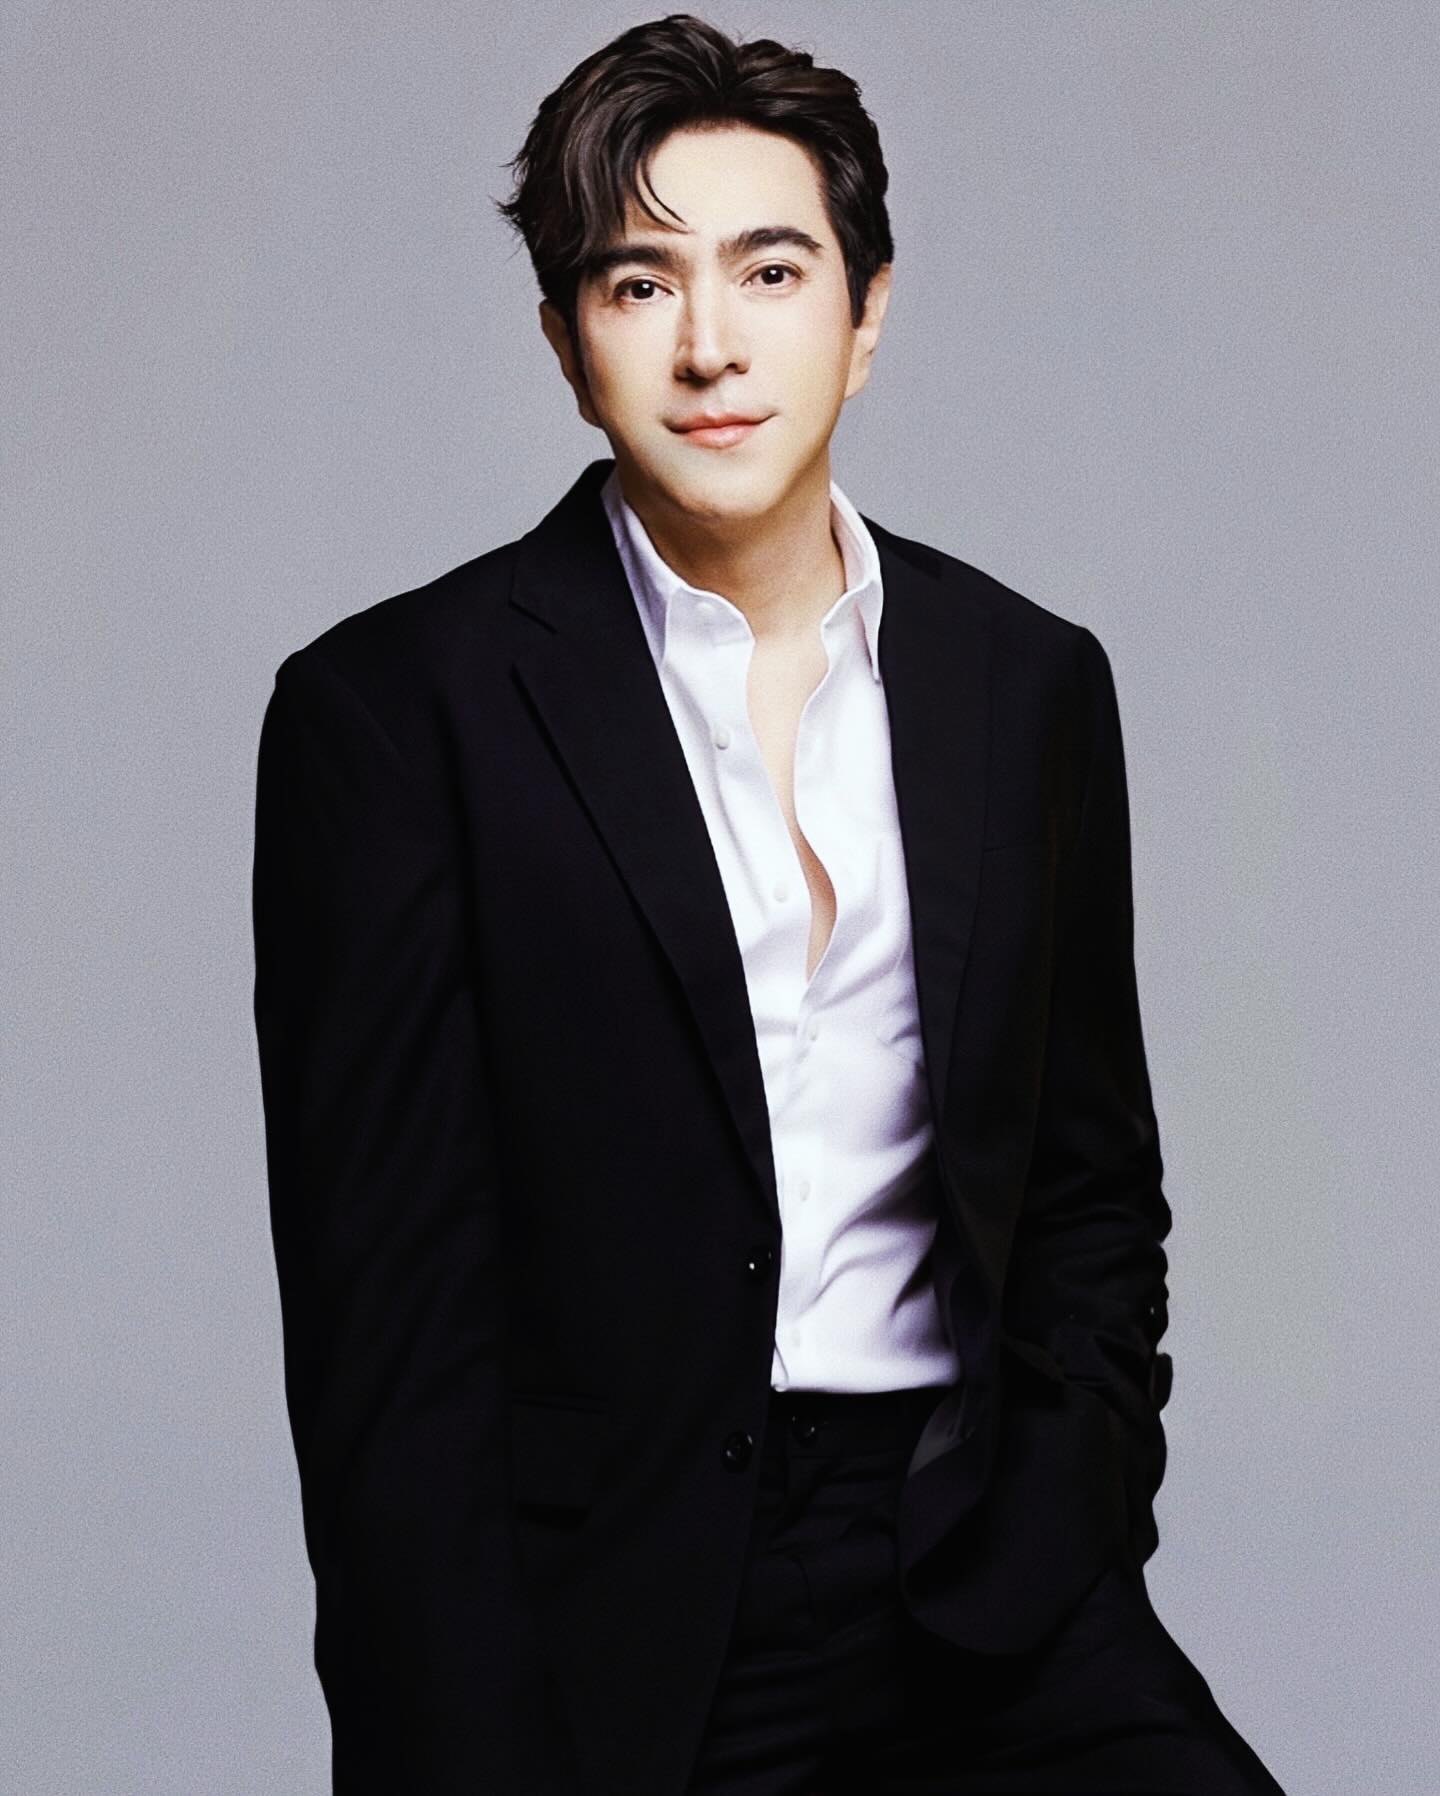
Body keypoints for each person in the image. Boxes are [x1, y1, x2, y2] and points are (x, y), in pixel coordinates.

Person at [251, 13, 1286, 1794]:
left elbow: (1090, 1179)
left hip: (980, 1567)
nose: (710, 343)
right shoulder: (395, 713)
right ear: (569, 344)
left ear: (867, 315)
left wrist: (1068, 1507)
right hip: (627, 1613)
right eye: (638, 283)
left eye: (772, 270)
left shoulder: (1025, 680)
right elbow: (386, 1346)